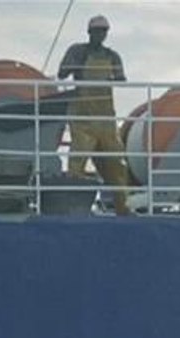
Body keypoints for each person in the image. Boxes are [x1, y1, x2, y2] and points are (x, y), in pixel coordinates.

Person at [57, 14, 132, 214]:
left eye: (104, 31)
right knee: (77, 164)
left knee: (117, 163)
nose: (101, 34)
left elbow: (121, 79)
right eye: (97, 31)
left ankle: (123, 207)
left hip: (106, 117)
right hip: (82, 117)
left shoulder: (112, 56)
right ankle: (71, 207)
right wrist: (75, 66)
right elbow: (62, 73)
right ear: (89, 32)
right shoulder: (77, 51)